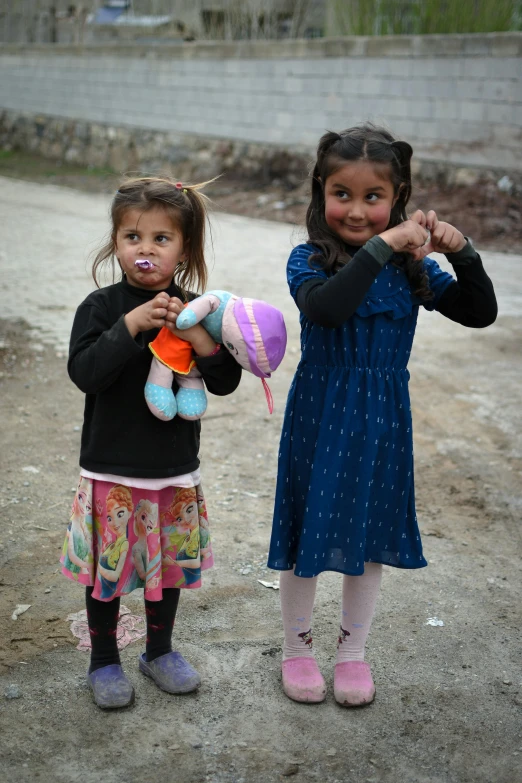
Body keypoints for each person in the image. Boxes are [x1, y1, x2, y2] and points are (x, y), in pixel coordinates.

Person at [267, 124, 497, 707]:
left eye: (375, 197)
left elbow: (481, 312)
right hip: (321, 415)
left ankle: (351, 654)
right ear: (321, 193)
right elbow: (328, 308)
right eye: (342, 193)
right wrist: (382, 246)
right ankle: (297, 650)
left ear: (397, 197)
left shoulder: (412, 271)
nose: (358, 209)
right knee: (306, 532)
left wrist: (461, 251)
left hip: (382, 420)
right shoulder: (308, 260)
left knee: (367, 537)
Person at [61, 176, 242, 709]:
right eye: (132, 236)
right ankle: (104, 662)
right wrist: (129, 325)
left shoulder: (196, 309)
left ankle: (158, 651)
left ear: (184, 248)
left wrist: (201, 338)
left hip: (172, 466)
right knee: (107, 573)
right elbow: (86, 373)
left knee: (167, 568)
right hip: (112, 469)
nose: (145, 248)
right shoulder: (100, 306)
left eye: (161, 239)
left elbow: (226, 381)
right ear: (115, 243)